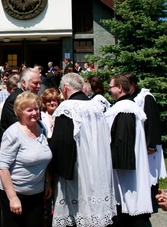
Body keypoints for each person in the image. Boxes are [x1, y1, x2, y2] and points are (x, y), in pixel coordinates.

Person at [50, 73, 116, 227]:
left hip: (77, 169)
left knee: (77, 211)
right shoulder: (96, 106)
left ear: (65, 88)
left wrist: (57, 171)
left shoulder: (66, 108)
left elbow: (61, 143)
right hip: (98, 165)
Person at [0, 91, 52, 227]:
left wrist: (47, 182)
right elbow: (3, 168)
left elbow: (44, 158)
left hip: (37, 191)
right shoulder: (13, 133)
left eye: (36, 108)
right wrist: (13, 198)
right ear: (19, 112)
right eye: (29, 110)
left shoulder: (41, 127)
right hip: (15, 191)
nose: (34, 113)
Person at [106, 74, 153, 225]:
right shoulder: (126, 107)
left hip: (126, 173)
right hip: (127, 170)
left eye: (111, 87)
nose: (109, 91)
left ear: (119, 88)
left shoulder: (125, 109)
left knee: (130, 209)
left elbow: (123, 142)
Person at [124, 72, 167, 212]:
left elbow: (153, 122)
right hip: (137, 145)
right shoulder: (130, 98)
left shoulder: (146, 97)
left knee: (149, 175)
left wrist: (151, 145)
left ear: (133, 84)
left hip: (148, 146)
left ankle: (152, 203)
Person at [0, 68, 41, 133]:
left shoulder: (33, 98)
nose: (39, 86)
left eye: (40, 83)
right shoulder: (14, 100)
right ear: (23, 83)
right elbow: (19, 126)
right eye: (35, 83)